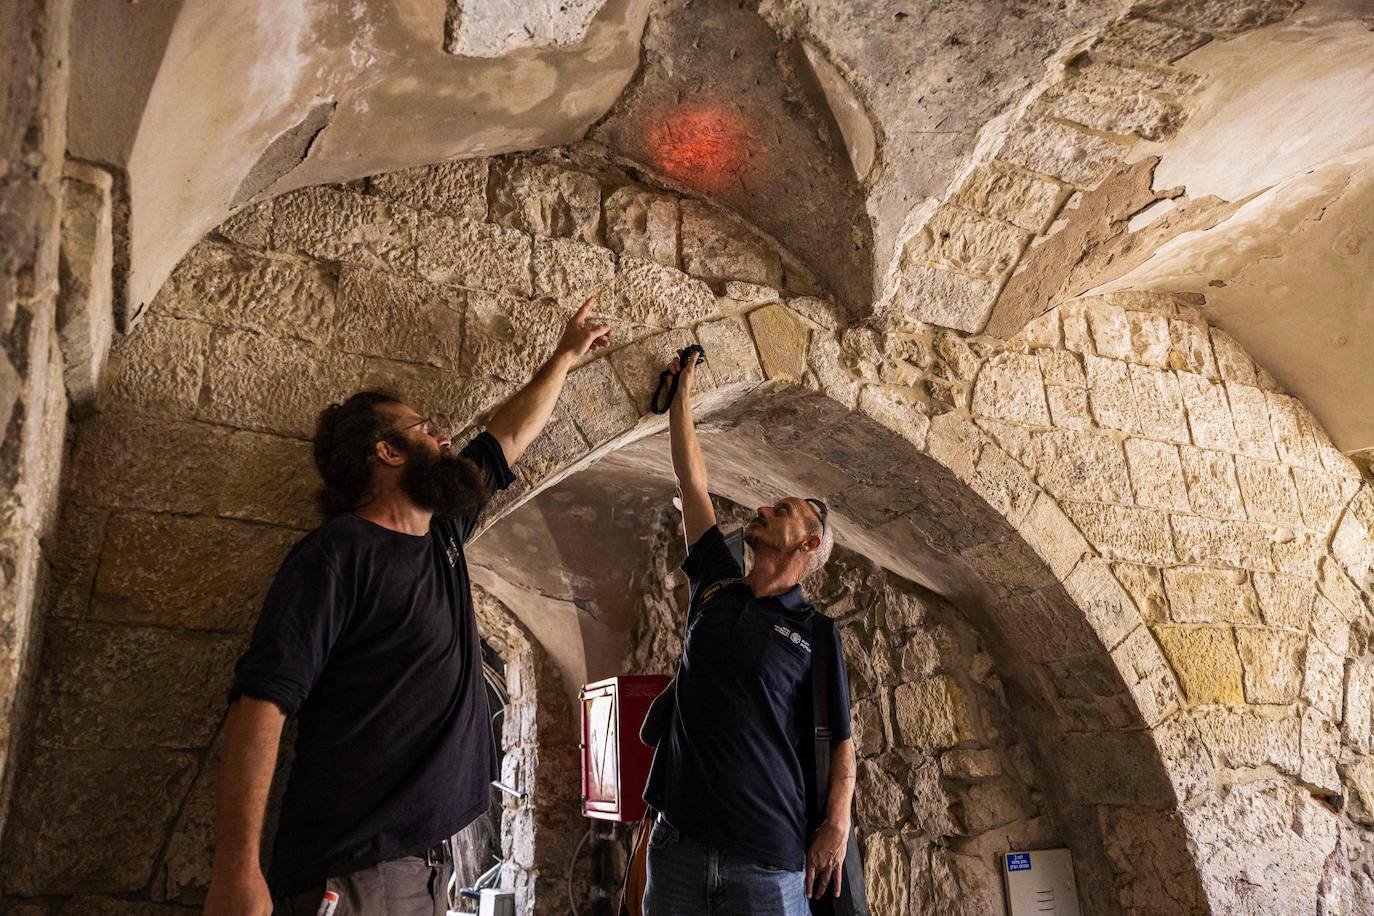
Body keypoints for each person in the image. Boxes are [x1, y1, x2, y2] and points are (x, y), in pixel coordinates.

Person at [204, 299, 612, 916]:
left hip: (424, 866)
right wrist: (237, 870)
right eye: (424, 429)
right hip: (360, 871)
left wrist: (564, 355)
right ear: (386, 453)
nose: (443, 438)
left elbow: (507, 438)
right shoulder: (338, 553)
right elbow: (261, 702)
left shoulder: (442, 534)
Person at [642, 350, 856, 916]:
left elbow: (841, 741)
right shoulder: (716, 587)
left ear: (809, 545)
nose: (762, 508)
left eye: (781, 510)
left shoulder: (815, 632)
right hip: (679, 848)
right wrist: (683, 393)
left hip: (767, 862)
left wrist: (837, 824)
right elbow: (692, 483)